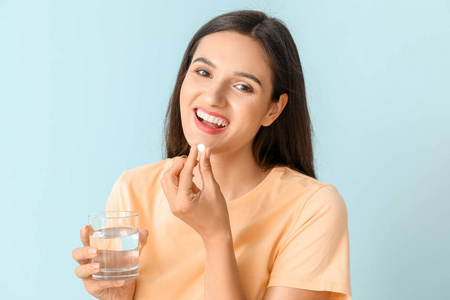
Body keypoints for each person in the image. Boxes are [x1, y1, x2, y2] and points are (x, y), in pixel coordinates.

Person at [72, 10, 351, 300]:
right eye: (203, 72)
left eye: (243, 86)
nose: (213, 97)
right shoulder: (134, 189)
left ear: (273, 109)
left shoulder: (312, 208)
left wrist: (216, 235)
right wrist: (117, 296)